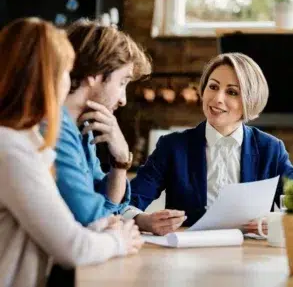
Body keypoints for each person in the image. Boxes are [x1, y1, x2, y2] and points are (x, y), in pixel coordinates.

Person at [0, 17, 142, 287]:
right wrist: (118, 240)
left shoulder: (24, 140)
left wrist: (106, 227)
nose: (70, 83)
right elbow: (73, 246)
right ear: (47, 78)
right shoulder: (11, 148)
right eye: (66, 72)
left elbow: (84, 218)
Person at [124, 52, 293, 236]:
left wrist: (276, 221)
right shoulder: (172, 146)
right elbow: (128, 201)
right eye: (213, 87)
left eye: (232, 92)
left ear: (249, 101)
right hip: (188, 255)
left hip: (250, 254)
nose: (217, 98)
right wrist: (145, 221)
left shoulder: (270, 149)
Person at [54, 19, 151, 226]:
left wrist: (121, 161)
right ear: (94, 75)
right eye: (122, 82)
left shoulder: (83, 128)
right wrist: (113, 223)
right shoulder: (54, 130)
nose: (123, 99)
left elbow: (107, 204)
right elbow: (94, 221)